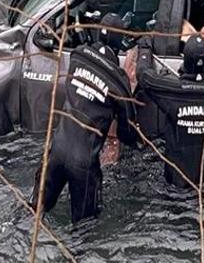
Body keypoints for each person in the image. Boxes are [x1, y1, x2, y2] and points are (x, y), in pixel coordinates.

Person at [31, 14, 136, 223]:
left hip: (54, 153)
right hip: (84, 166)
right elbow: (128, 131)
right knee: (84, 229)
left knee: (33, 212)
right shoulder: (118, 81)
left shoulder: (78, 56)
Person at [138, 34, 204, 187]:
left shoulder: (172, 92)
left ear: (185, 61)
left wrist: (145, 47)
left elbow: (144, 75)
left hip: (175, 185)